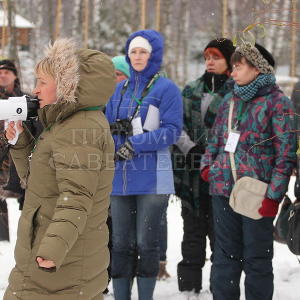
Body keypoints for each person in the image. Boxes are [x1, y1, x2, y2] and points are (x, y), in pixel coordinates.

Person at [4, 38, 116, 300]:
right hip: (52, 256)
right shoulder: (65, 125)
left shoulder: (81, 129)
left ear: (68, 86)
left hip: (61, 265)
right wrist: (21, 142)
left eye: (43, 82)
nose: (36, 90)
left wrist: (53, 249)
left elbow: (76, 197)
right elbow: (40, 184)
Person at [200, 42, 296, 300]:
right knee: (224, 257)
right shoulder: (230, 99)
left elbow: (285, 154)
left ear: (257, 68)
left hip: (257, 194)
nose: (232, 73)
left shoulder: (278, 103)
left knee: (257, 259)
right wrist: (209, 166)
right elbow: (216, 138)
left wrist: (273, 196)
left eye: (238, 67)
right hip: (223, 191)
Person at [105, 29, 183, 300]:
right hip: (120, 177)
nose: (137, 57)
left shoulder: (166, 88)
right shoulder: (117, 89)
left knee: (146, 243)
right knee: (120, 243)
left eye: (143, 52)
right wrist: (116, 134)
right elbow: (105, 129)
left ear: (154, 55)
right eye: (133, 51)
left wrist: (135, 143)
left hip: (154, 177)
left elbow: (172, 131)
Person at [173, 38, 235, 295]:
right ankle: (189, 288)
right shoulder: (191, 89)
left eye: (216, 57)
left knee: (221, 235)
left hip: (224, 173)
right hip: (192, 173)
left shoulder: (237, 91)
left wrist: (215, 157)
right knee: (192, 233)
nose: (210, 61)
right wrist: (192, 150)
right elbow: (177, 125)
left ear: (230, 61)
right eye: (207, 57)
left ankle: (221, 287)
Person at [0, 59, 41, 242]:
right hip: (2, 158)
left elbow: (33, 129)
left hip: (19, 160)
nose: (3, 75)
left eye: (7, 72)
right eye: (0, 72)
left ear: (15, 75)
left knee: (25, 203)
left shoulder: (26, 100)